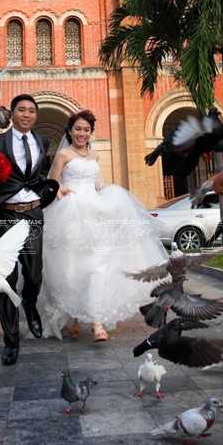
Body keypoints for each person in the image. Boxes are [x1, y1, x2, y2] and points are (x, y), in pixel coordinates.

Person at [39, 110, 168, 342]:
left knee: (98, 265)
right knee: (72, 268)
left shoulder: (95, 156)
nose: (81, 133)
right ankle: (75, 316)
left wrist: (100, 186)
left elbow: (91, 180)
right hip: (72, 212)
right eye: (77, 129)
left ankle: (96, 322)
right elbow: (51, 184)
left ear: (91, 133)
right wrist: (60, 190)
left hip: (95, 213)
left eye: (86, 130)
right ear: (69, 131)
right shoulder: (63, 156)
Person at [0, 93, 60, 366]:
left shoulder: (42, 141)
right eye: (21, 110)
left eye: (31, 111)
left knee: (34, 275)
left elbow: (36, 177)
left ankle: (30, 304)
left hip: (33, 215)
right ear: (11, 113)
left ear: (36, 116)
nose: (27, 115)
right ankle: (11, 342)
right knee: (6, 280)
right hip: (5, 216)